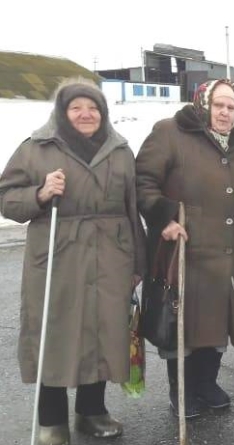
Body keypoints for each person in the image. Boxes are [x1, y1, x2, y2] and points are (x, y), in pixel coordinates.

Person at [0, 78, 146, 444]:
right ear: (62, 112)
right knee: (54, 335)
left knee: (103, 332)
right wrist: (40, 193)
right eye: (76, 107)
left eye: (93, 108)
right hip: (57, 257)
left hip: (111, 256)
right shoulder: (36, 148)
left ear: (103, 113)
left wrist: (138, 263)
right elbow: (6, 199)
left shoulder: (120, 151)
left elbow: (132, 210)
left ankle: (91, 412)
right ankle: (51, 421)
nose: (86, 114)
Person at [135, 79, 234, 418]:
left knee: (216, 320)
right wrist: (164, 218)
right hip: (184, 246)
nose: (225, 112)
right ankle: (181, 388)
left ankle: (206, 382)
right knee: (182, 320)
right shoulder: (169, 132)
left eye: (231, 107)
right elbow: (142, 181)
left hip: (227, 249)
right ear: (202, 103)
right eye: (219, 105)